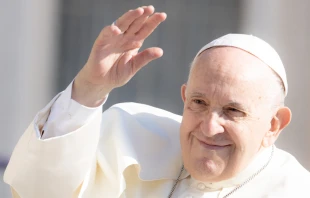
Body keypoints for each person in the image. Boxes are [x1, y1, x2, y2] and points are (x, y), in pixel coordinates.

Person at [4, 5, 310, 198]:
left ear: (273, 125)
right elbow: (37, 191)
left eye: (233, 111)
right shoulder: (126, 137)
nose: (209, 126)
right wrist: (89, 88)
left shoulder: (295, 190)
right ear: (183, 98)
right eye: (199, 102)